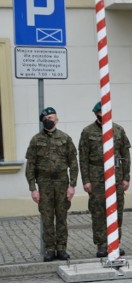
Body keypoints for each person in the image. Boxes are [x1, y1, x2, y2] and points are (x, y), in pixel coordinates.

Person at [25, 107, 79, 262]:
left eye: (51, 117)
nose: (49, 119)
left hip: (62, 182)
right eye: (46, 117)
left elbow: (73, 164)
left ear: (57, 119)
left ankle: (61, 248)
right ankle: (49, 249)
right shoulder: (36, 140)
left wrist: (72, 185)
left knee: (62, 216)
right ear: (43, 120)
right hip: (44, 182)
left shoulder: (65, 138)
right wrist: (33, 189)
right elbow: (31, 166)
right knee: (47, 217)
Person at [78, 102, 131, 257]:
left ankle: (115, 243)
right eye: (102, 112)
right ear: (96, 114)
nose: (105, 114)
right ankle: (101, 244)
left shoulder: (118, 130)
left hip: (116, 176)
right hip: (96, 177)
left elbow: (125, 155)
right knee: (99, 212)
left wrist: (126, 177)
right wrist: (86, 180)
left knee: (117, 211)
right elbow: (83, 158)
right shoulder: (87, 132)